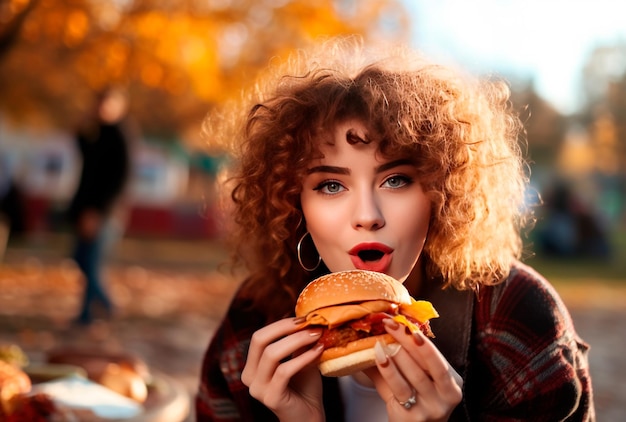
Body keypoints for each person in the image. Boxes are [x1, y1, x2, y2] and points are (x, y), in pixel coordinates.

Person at [196, 37, 594, 421]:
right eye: (331, 185)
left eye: (396, 180)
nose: (367, 215)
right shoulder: (252, 322)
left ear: (442, 192)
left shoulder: (515, 316)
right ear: (293, 203)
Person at [66, 87, 131, 325]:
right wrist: (84, 120)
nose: (102, 108)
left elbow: (120, 180)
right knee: (82, 260)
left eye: (108, 103)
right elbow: (82, 148)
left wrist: (98, 213)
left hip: (104, 214)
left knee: (91, 262)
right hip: (87, 209)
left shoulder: (121, 136)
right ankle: (86, 315)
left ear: (120, 106)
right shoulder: (98, 133)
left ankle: (107, 306)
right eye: (99, 103)